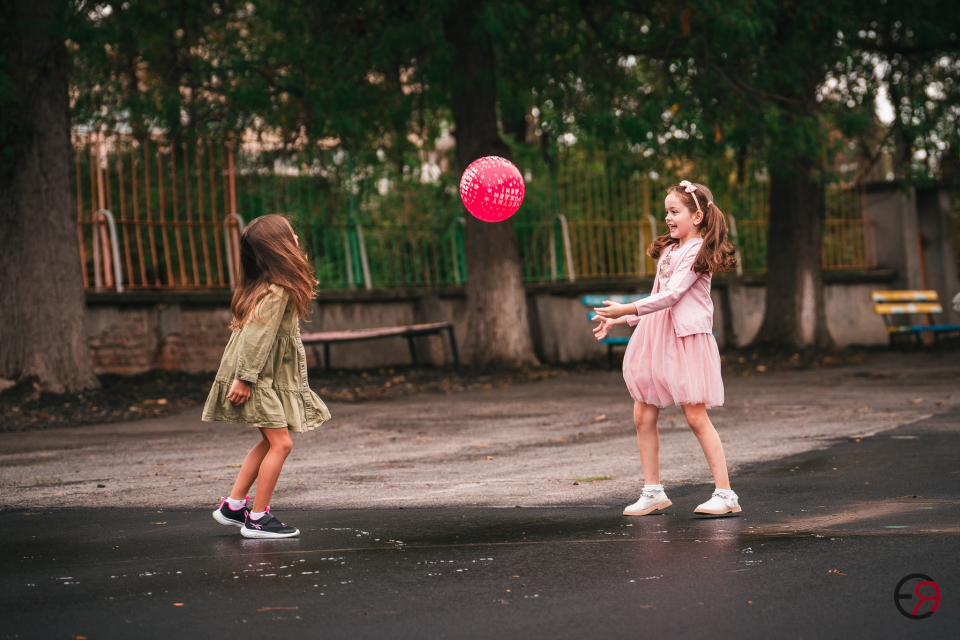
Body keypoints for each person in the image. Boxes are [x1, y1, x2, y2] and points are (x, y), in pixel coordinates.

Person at [593, 180, 739, 517]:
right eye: (666, 213)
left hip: (686, 339)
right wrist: (621, 320)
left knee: (695, 415)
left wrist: (626, 308)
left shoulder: (696, 250)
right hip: (657, 336)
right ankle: (653, 491)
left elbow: (673, 296)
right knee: (642, 412)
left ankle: (726, 494)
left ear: (698, 215)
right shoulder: (671, 250)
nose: (668, 218)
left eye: (674, 212)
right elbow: (659, 295)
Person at [203, 214, 330, 538]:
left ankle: (234, 506)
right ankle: (257, 519)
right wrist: (245, 378)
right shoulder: (277, 291)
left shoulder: (271, 287)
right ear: (281, 247)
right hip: (255, 374)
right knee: (282, 443)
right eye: (291, 234)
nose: (297, 239)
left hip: (261, 374)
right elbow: (257, 337)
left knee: (273, 438)